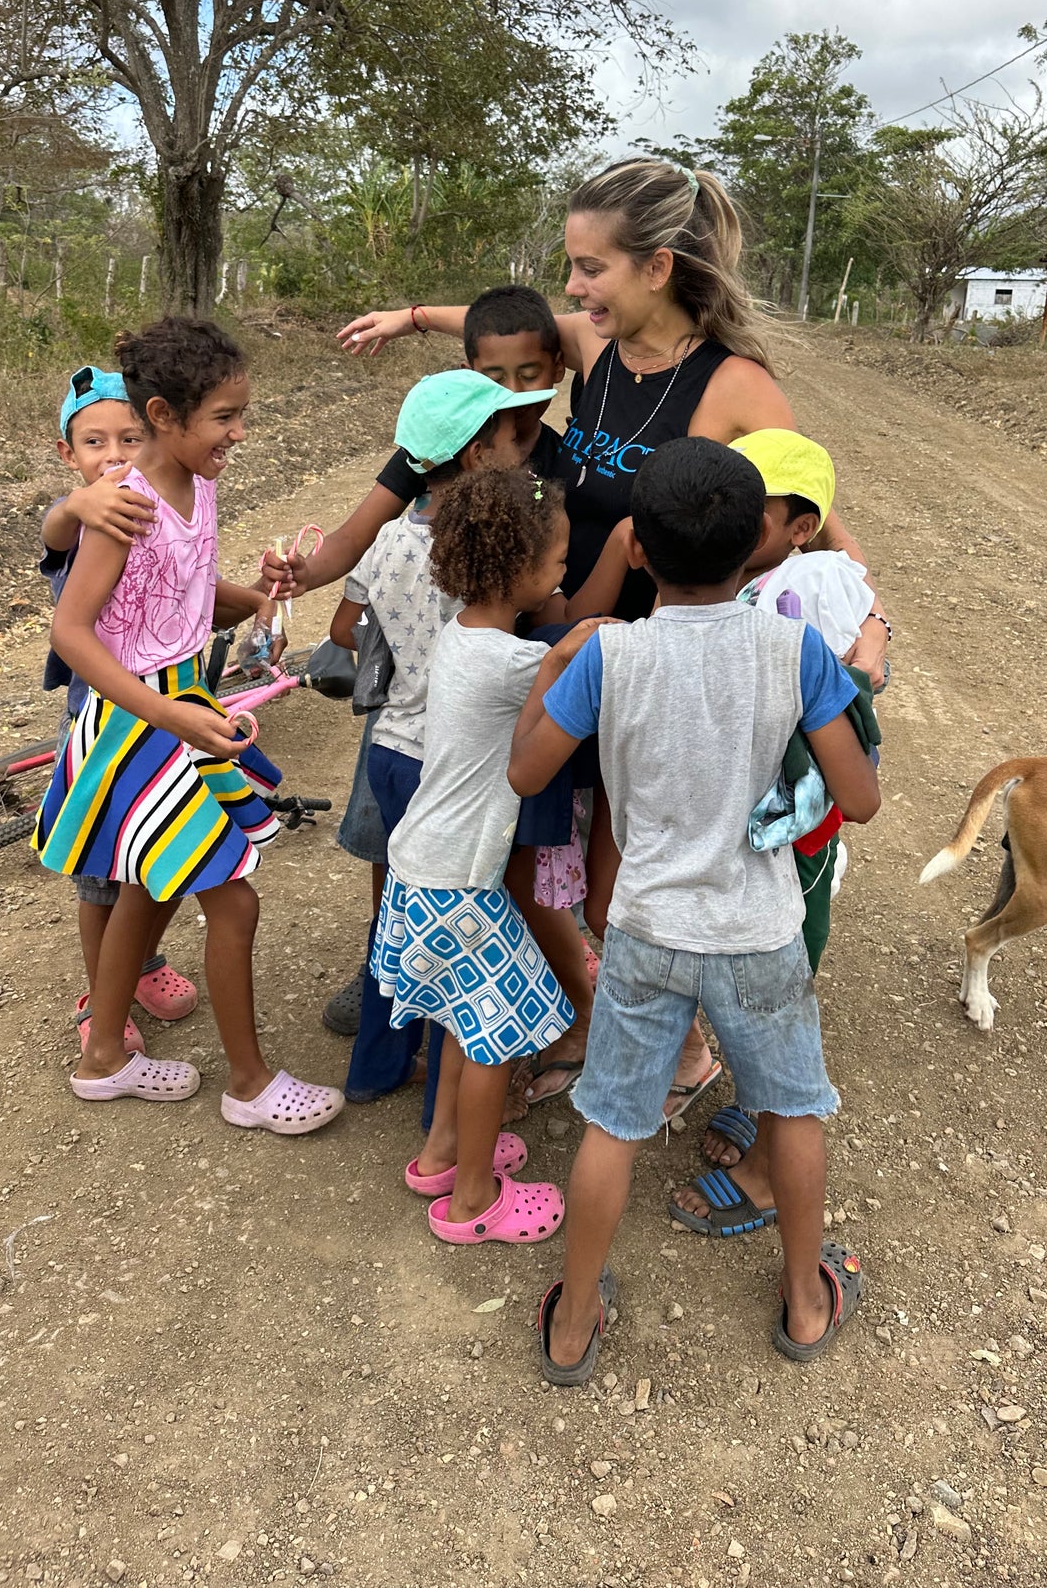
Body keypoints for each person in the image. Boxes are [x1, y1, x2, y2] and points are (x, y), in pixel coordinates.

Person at [337, 158, 891, 1113]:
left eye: (589, 268)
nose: (575, 290)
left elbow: (811, 507)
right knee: (542, 859)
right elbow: (496, 324)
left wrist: (869, 609)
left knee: (621, 877)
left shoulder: (737, 388)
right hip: (562, 648)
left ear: (656, 268)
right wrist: (406, 317)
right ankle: (587, 1019)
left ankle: (675, 1051)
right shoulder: (594, 345)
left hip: (650, 667)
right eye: (572, 270)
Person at [507, 439, 880, 1375]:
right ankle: (803, 1301)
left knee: (613, 1123)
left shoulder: (611, 654)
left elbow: (525, 771)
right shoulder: (791, 648)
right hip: (758, 929)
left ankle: (572, 1319)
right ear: (759, 539)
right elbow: (859, 798)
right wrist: (848, 681)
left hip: (643, 927)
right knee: (792, 1112)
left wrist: (558, 661)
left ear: (636, 550)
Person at [35, 316, 345, 1135]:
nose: (239, 432)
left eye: (242, 414)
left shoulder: (196, 484)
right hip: (137, 718)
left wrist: (260, 595)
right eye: (224, 417)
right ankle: (249, 1083)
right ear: (165, 415)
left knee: (149, 884)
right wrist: (168, 710)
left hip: (176, 705)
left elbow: (188, 593)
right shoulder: (127, 506)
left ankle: (104, 1055)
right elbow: (72, 631)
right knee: (232, 904)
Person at [271, 285, 570, 1043]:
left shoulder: (535, 461)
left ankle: (421, 990)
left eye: (527, 375)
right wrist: (298, 574)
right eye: (493, 377)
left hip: (434, 724)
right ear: (470, 374)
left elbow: (354, 604)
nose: (512, 395)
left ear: (555, 367)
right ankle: (402, 970)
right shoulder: (439, 451)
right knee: (401, 848)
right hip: (464, 717)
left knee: (464, 854)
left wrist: (410, 316)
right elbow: (350, 539)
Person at [377, 466, 605, 1244]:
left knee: (456, 1018)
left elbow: (549, 661)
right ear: (515, 570)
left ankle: (444, 1150)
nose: (563, 569)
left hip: (424, 867)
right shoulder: (512, 665)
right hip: (458, 883)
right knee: (496, 1036)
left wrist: (562, 645)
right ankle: (474, 1199)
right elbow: (565, 677)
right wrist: (584, 643)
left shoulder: (465, 637)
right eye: (555, 559)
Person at [326, 369, 552, 1107]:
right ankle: (447, 1116)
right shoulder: (483, 550)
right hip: (448, 761)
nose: (526, 446)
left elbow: (341, 629)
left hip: (389, 748)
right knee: (460, 933)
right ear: (478, 453)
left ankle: (374, 1069)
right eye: (514, 436)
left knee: (396, 908)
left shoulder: (390, 538)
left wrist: (402, 653)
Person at [681, 428, 881, 1234]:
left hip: (793, 828)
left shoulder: (814, 585)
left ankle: (769, 1157)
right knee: (745, 966)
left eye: (746, 508)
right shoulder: (742, 580)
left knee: (778, 971)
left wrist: (865, 662)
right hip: (745, 819)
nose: (721, 519)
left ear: (801, 527)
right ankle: (756, 1098)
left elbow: (843, 704)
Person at [39, 365, 200, 1055]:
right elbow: (52, 533)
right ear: (67, 454)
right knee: (103, 873)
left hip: (163, 715)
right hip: (103, 726)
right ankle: (96, 993)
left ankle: (139, 965)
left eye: (128, 437)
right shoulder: (90, 513)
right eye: (94, 441)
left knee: (151, 864)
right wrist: (76, 506)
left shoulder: (154, 502)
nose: (113, 455)